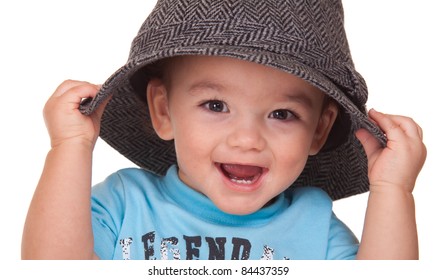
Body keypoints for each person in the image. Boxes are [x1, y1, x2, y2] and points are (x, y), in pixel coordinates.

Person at [21, 0, 426, 260]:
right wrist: (70, 148)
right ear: (163, 111)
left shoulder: (314, 226)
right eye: (215, 106)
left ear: (319, 131)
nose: (247, 140)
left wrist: (392, 191)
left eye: (282, 114)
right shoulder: (125, 204)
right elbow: (52, 267)